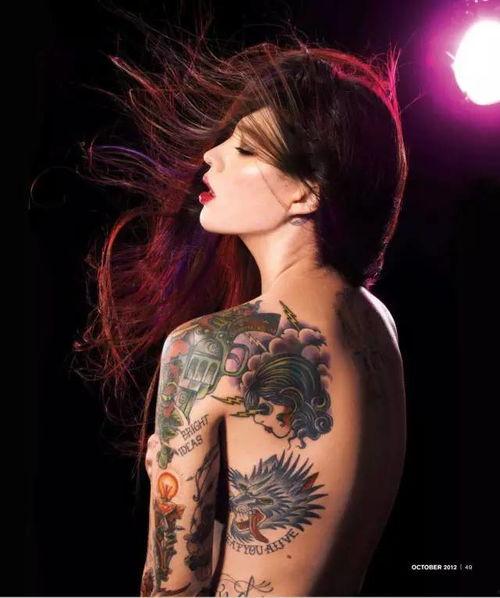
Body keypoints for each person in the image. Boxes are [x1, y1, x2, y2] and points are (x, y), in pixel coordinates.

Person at [73, 18, 409, 597]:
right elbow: (307, 552)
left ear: (306, 191)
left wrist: (172, 500)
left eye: (246, 148)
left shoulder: (208, 347)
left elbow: (175, 591)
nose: (212, 155)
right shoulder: (379, 325)